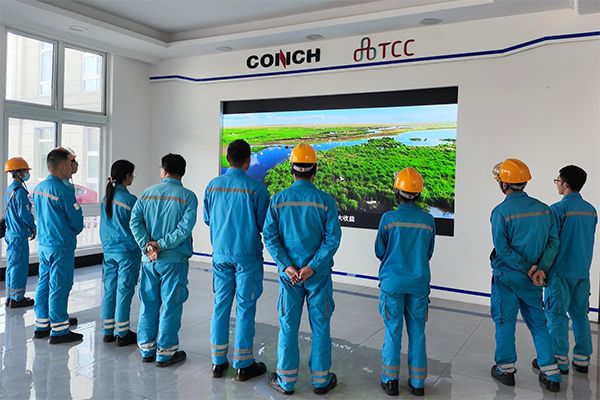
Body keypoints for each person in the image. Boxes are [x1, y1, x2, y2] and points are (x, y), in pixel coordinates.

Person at [263, 143, 341, 396]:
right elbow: (332, 239)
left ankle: (286, 382)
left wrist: (287, 266)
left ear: (292, 169)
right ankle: (321, 381)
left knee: (288, 326)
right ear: (314, 169)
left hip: (290, 279)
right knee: (321, 326)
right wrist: (312, 266)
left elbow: (270, 236)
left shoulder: (278, 200)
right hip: (318, 276)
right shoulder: (326, 201)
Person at [489, 158, 561, 392]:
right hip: (534, 280)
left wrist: (527, 268)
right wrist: (540, 269)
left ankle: (505, 370)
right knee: (539, 323)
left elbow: (502, 249)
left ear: (504, 184)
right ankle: (551, 373)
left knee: (505, 322)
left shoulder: (500, 212)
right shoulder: (544, 209)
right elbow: (553, 242)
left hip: (507, 278)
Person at [203, 140, 270, 380]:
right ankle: (243, 364)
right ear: (247, 161)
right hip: (247, 257)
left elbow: (208, 219)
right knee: (245, 307)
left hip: (220, 254)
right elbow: (263, 224)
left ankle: (217, 361)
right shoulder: (256, 189)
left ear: (228, 159)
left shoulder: (212, 186)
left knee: (220, 306)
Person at [130, 153, 198, 367]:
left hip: (149, 260)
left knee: (149, 302)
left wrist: (148, 245)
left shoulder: (147, 193)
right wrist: (161, 244)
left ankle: (146, 348)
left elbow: (135, 221)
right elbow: (184, 230)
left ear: (164, 171)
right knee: (171, 304)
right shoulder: (188, 197)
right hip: (174, 261)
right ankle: (165, 353)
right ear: (182, 172)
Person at [375, 167, 435, 397]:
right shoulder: (428, 220)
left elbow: (380, 250)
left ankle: (390, 381)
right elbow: (428, 252)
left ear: (397, 192)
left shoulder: (388, 219)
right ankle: (418, 384)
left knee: (393, 331)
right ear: (418, 194)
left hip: (392, 283)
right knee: (418, 332)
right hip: (419, 283)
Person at [545, 165, 597, 374]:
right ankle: (582, 359)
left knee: (556, 315)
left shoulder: (557, 210)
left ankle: (559, 360)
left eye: (557, 180)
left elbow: (551, 244)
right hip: (583, 272)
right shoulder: (591, 210)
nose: (557, 184)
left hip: (560, 273)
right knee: (580, 315)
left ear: (565, 184)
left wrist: (541, 268)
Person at [32, 148, 84, 344]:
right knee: (60, 285)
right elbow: (76, 221)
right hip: (61, 245)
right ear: (62, 166)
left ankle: (41, 324)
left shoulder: (39, 187)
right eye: (71, 164)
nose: (73, 167)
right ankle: (60, 329)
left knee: (44, 283)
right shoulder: (63, 191)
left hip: (45, 244)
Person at [100, 160, 141, 346]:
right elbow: (139, 226)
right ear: (127, 177)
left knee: (110, 289)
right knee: (124, 290)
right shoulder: (130, 201)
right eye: (132, 174)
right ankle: (122, 333)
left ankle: (108, 330)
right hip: (127, 252)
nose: (133, 177)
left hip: (109, 251)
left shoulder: (106, 198)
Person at [3, 157, 36, 308]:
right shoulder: (20, 191)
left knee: (12, 265)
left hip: (11, 233)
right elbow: (24, 213)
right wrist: (33, 226)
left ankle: (10, 296)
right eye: (25, 171)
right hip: (19, 234)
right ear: (18, 172)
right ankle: (17, 299)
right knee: (19, 267)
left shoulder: (10, 189)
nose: (27, 173)